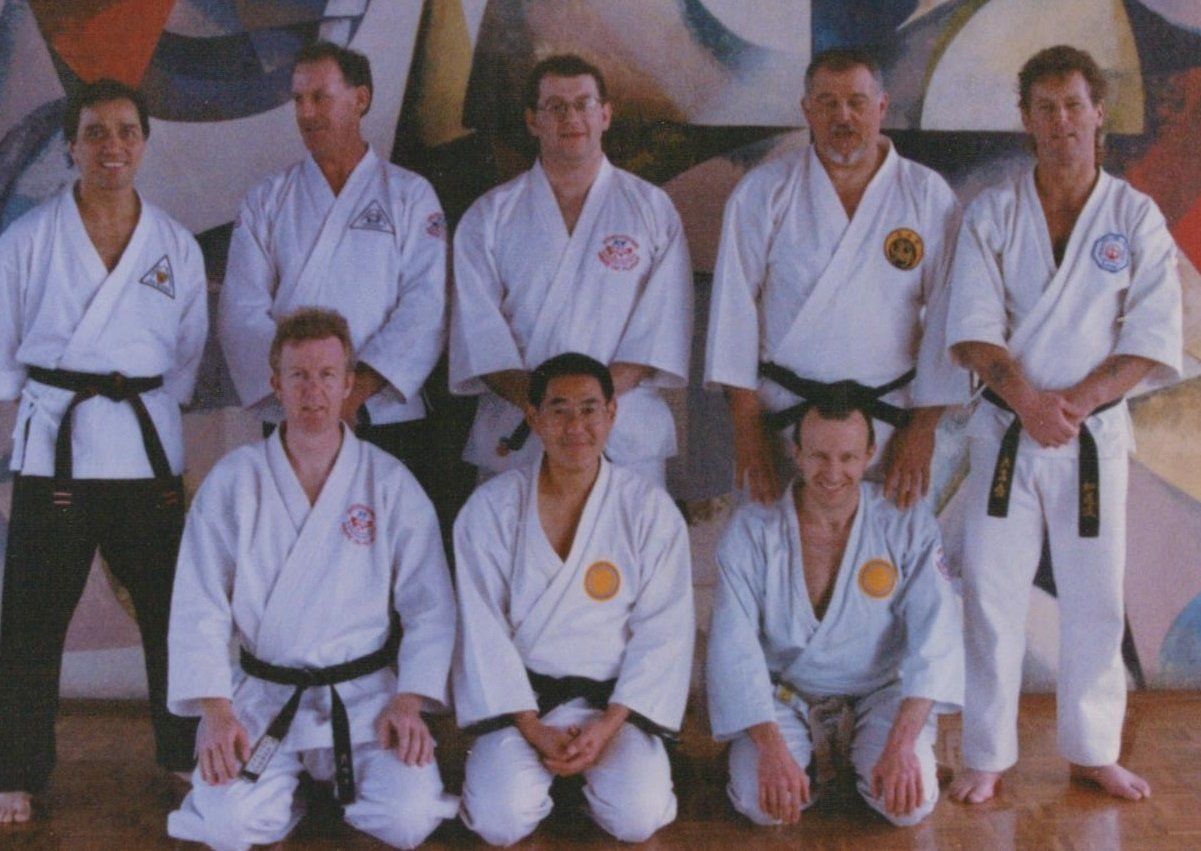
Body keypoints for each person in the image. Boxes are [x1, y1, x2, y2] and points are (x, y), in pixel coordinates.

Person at [945, 45, 1181, 804]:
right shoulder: (993, 211)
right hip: (1008, 433)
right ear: (1024, 120)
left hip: (1089, 436)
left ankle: (1090, 747)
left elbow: (1148, 338)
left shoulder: (1132, 216)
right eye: (1043, 109)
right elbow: (972, 330)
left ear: (1097, 112)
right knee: (987, 587)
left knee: (1094, 594)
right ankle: (985, 751)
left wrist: (1071, 403)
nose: (1059, 122)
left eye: (1072, 106)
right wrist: (1028, 401)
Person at [166, 309, 458, 849]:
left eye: (327, 375)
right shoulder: (235, 480)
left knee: (409, 818)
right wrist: (215, 711)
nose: (313, 391)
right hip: (263, 698)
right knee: (228, 826)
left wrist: (410, 701)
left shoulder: (389, 481)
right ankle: (289, 791)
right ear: (275, 384)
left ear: (349, 383)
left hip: (367, 697)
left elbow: (430, 606)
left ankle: (311, 785)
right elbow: (198, 603)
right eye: (298, 375)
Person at [0, 79, 207, 824]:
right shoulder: (26, 241)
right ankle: (16, 768)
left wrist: (138, 401)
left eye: (125, 131)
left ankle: (183, 753)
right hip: (55, 446)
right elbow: (4, 359)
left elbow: (182, 360)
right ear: (71, 145)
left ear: (144, 143)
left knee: (171, 611)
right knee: (30, 616)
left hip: (144, 446)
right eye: (95, 132)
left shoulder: (174, 244)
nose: (111, 145)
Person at [705, 47, 964, 508]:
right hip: (782, 420)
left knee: (886, 565)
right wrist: (747, 430)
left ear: (881, 106)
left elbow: (947, 316)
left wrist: (923, 430)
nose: (843, 116)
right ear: (807, 110)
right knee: (776, 555)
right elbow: (733, 311)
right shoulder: (764, 193)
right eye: (827, 102)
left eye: (857, 102)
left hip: (892, 424)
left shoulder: (927, 195)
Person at [452, 352, 694, 844]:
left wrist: (608, 725)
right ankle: (549, 776)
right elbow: (482, 630)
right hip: (525, 708)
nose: (575, 425)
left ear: (612, 413)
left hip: (612, 710)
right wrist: (532, 726)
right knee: (499, 823)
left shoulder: (648, 509)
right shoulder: (491, 509)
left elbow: (664, 630)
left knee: (638, 817)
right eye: (559, 410)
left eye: (589, 409)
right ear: (533, 417)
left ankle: (594, 774)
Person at [707, 400, 962, 826]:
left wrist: (901, 746)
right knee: (761, 805)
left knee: (910, 807)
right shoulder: (753, 528)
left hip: (880, 693)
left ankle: (863, 758)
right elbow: (734, 648)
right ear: (797, 454)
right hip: (785, 697)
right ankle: (799, 760)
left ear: (870, 454)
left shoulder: (905, 522)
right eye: (820, 456)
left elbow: (936, 638)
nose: (832, 472)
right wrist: (769, 749)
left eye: (847, 458)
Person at [450, 54, 693, 486]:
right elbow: (479, 334)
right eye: (555, 106)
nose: (571, 117)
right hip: (520, 429)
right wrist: (548, 410)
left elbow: (661, 327)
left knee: (625, 554)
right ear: (532, 120)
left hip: (623, 432)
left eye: (583, 104)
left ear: (605, 114)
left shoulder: (652, 209)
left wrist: (585, 409)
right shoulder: (488, 216)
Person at [218, 41, 446, 480]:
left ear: (360, 99)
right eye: (299, 100)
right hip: (294, 415)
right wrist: (308, 393)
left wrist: (353, 391)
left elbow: (426, 304)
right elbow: (241, 309)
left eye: (319, 97)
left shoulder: (410, 195)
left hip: (383, 411)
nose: (306, 113)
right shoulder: (267, 198)